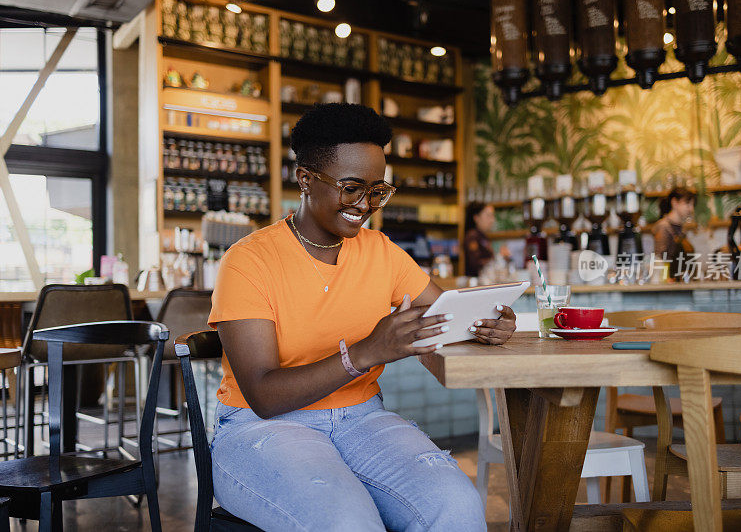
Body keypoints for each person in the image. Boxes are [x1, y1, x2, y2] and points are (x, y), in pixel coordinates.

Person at [207, 103, 516, 531]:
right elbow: (263, 395)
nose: (365, 204)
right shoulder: (248, 261)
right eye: (352, 187)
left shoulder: (379, 251)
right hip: (261, 429)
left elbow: (443, 316)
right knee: (348, 523)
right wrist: (365, 353)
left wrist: (484, 323)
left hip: (361, 418)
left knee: (458, 507)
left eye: (376, 190)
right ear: (305, 179)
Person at [652, 187, 696, 278]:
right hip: (669, 285)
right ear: (675, 203)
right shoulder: (664, 227)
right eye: (687, 204)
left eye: (692, 205)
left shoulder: (680, 228)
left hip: (682, 281)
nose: (691, 209)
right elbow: (660, 259)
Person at [463, 202, 511, 277]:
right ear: (476, 218)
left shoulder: (483, 236)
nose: (492, 220)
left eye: (493, 216)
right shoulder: (472, 236)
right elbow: (475, 263)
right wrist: (499, 258)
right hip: (477, 284)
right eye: (489, 216)